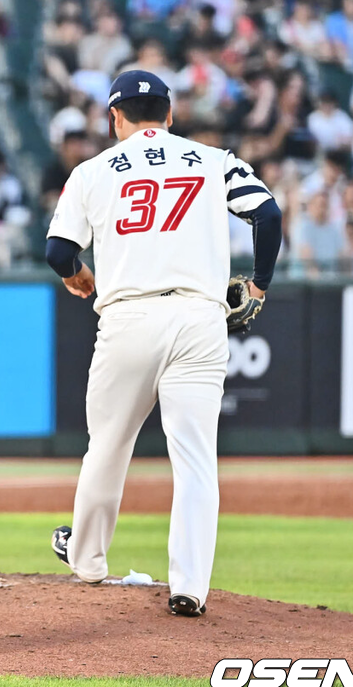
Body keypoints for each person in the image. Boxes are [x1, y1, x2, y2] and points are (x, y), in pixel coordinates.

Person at [46, 70, 282, 617]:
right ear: (170, 116)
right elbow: (267, 215)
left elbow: (59, 251)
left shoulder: (92, 171)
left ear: (115, 118)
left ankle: (87, 559)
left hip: (128, 315)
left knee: (106, 444)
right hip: (200, 317)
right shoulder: (213, 158)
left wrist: (78, 273)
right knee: (196, 457)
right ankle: (189, 586)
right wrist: (259, 283)